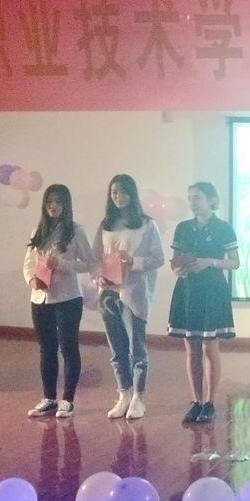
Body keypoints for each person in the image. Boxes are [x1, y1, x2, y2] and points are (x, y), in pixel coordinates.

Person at [168, 182, 240, 425]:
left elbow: (235, 262)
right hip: (188, 289)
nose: (193, 201)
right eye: (190, 197)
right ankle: (196, 401)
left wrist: (210, 262)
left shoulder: (223, 228)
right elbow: (175, 261)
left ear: (211, 199)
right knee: (191, 348)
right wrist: (178, 269)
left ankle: (209, 402)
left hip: (212, 291)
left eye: (197, 197)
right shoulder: (183, 228)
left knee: (210, 346)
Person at [94, 174, 165, 420]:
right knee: (117, 350)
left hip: (134, 294)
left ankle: (138, 397)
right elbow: (95, 258)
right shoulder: (106, 225)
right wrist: (98, 277)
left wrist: (133, 261)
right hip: (108, 293)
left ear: (132, 194)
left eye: (123, 191)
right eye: (114, 192)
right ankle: (123, 393)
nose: (118, 196)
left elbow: (158, 258)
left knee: (137, 349)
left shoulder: (146, 224)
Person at [23, 184, 93, 419]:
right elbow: (28, 263)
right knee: (46, 348)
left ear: (66, 205)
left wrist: (62, 265)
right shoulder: (38, 231)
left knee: (68, 347)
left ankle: (68, 399)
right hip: (40, 297)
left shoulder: (76, 231)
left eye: (58, 202)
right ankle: (49, 398)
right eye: (49, 201)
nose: (53, 206)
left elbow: (89, 263)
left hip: (67, 298)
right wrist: (32, 280)